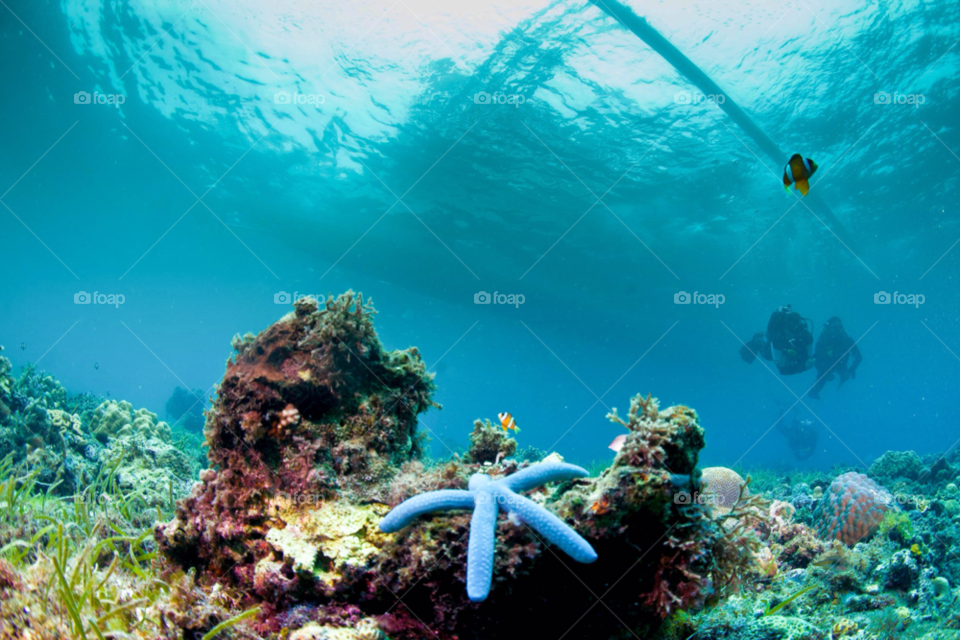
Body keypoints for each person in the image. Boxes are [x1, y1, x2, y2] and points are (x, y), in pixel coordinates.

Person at [808, 317, 862, 399]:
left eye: (839, 327)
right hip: (825, 364)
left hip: (841, 363)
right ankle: (814, 392)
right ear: (829, 328)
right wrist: (825, 372)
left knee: (844, 377)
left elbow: (859, 357)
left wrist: (850, 370)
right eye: (834, 327)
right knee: (820, 382)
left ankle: (840, 396)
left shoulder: (846, 339)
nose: (837, 330)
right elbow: (816, 360)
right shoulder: (823, 340)